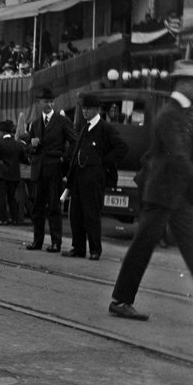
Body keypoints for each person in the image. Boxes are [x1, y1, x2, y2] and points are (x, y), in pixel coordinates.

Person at [109, 60, 193, 321]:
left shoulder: (182, 113)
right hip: (161, 192)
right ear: (182, 83)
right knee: (143, 246)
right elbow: (177, 157)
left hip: (177, 193)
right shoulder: (169, 115)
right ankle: (120, 300)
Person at [63, 93, 128, 260]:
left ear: (97, 110)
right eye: (83, 108)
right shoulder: (85, 127)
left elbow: (121, 148)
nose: (85, 111)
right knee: (76, 214)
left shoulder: (105, 128)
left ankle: (94, 250)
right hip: (79, 177)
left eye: (88, 109)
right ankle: (78, 248)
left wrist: (103, 163)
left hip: (93, 179)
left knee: (91, 215)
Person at [21, 87, 77, 252]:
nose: (49, 105)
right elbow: (27, 149)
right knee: (37, 208)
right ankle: (37, 241)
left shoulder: (62, 121)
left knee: (53, 207)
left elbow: (74, 142)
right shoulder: (35, 124)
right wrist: (32, 146)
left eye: (51, 102)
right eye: (46, 102)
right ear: (40, 103)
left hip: (53, 167)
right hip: (38, 169)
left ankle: (56, 242)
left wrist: (63, 158)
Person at [0, 120, 27, 226]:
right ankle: (14, 219)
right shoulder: (18, 144)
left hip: (3, 173)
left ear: (2, 132)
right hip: (14, 174)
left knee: (1, 197)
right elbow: (24, 159)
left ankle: (4, 218)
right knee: (12, 197)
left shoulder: (0, 143)